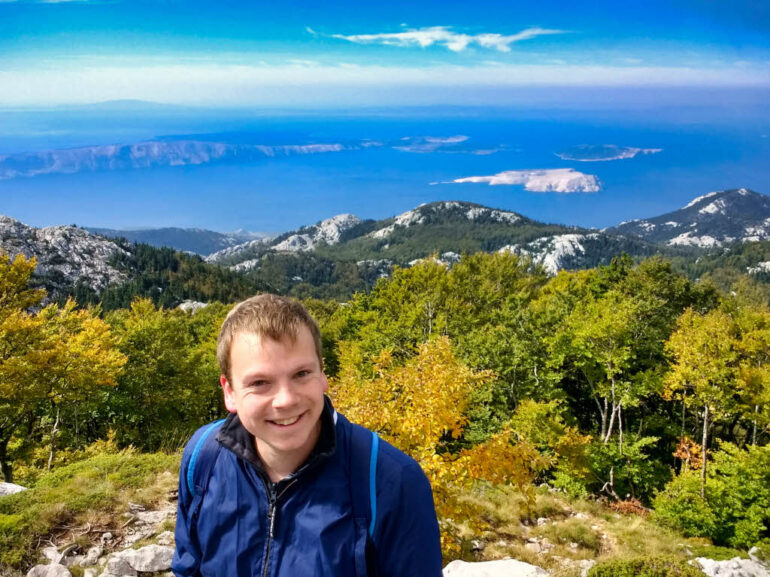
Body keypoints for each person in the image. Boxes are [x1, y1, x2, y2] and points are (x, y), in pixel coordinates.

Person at [172, 293, 443, 577]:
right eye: (260, 382)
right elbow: (188, 568)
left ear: (323, 374)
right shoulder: (204, 457)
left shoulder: (390, 480)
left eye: (301, 374)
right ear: (229, 392)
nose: (285, 400)